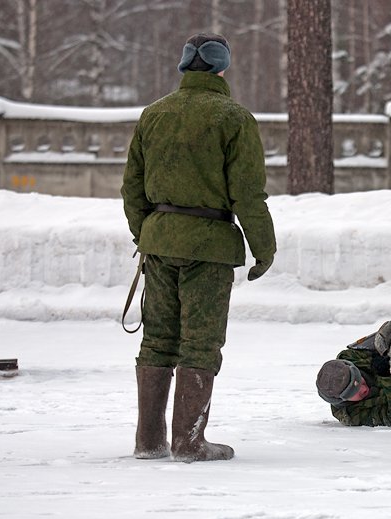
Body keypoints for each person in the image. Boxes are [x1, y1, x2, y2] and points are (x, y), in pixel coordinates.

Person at [121, 32, 276, 463]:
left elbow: (132, 187)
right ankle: (189, 442)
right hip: (209, 247)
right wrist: (264, 248)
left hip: (159, 242)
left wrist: (148, 233)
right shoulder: (234, 118)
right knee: (200, 343)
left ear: (184, 66)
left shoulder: (154, 114)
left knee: (157, 341)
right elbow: (248, 194)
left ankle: (149, 441)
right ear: (222, 67)